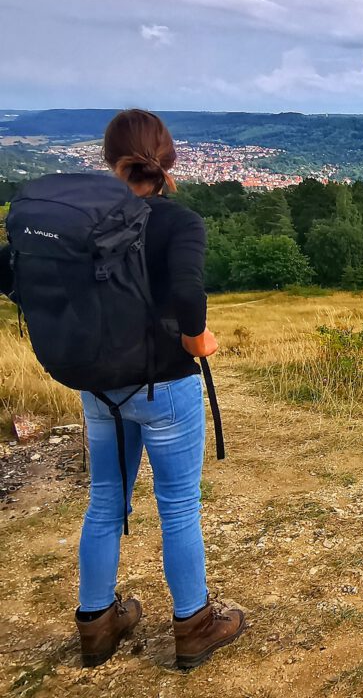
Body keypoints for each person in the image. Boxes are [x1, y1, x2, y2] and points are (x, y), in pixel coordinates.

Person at [0, 110, 245, 670]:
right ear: (169, 160)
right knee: (178, 506)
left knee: (105, 501)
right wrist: (195, 338)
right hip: (165, 388)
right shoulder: (178, 221)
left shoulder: (81, 223)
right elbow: (188, 292)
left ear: (109, 159)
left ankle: (97, 622)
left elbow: (10, 271)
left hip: (99, 386)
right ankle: (194, 624)